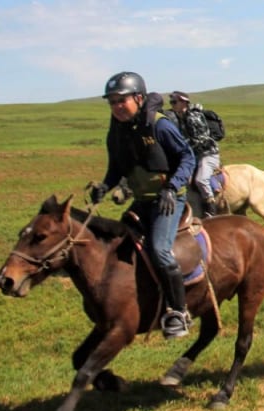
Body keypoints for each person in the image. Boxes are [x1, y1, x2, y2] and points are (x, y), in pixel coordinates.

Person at [88, 71, 196, 339]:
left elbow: (187, 156)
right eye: (112, 102)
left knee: (159, 250)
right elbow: (116, 169)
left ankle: (178, 312)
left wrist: (172, 187)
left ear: (138, 98)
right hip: (142, 200)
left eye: (121, 100)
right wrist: (105, 186)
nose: (116, 107)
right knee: (117, 244)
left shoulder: (159, 126)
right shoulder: (116, 133)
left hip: (169, 200)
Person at [168, 91, 221, 217]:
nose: (172, 105)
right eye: (171, 102)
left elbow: (201, 139)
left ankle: (211, 207)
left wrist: (182, 146)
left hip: (207, 153)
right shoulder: (180, 117)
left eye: (175, 102)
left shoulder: (193, 117)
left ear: (184, 103)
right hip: (193, 154)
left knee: (200, 180)